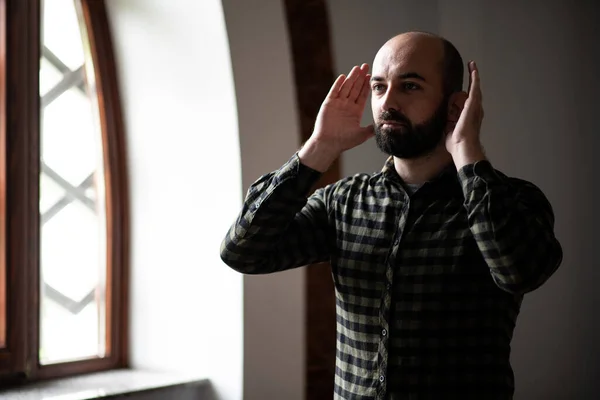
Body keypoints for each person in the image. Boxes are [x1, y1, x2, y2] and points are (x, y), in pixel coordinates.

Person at [220, 31, 563, 399]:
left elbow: (519, 271)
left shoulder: (513, 202)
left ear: (454, 106)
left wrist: (468, 150)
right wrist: (318, 149)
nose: (388, 103)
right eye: (379, 87)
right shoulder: (343, 202)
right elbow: (243, 251)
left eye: (410, 87)